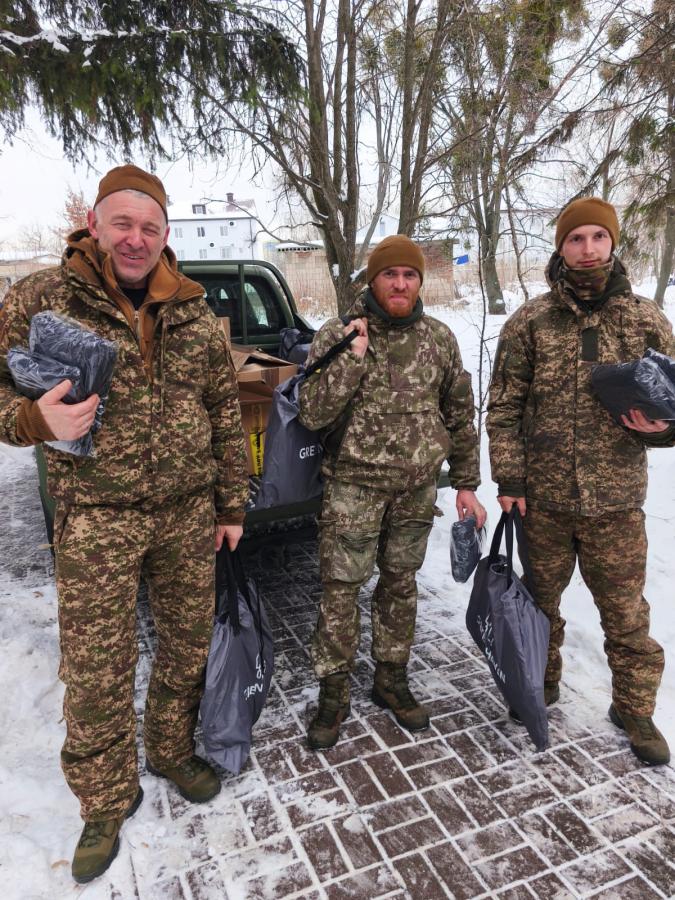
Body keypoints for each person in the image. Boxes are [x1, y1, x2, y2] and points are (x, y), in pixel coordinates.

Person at [0, 165, 249, 882]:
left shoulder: (194, 313)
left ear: (166, 235)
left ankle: (170, 750)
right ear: (95, 224)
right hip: (96, 516)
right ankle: (105, 797)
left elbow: (222, 416)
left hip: (184, 513)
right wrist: (29, 418)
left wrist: (230, 505)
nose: (136, 239)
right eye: (123, 224)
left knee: (183, 645)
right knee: (96, 667)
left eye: (149, 227)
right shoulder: (42, 299)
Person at [487, 196, 674, 766]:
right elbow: (503, 406)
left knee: (625, 613)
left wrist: (661, 428)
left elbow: (672, 406)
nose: (588, 249)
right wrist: (510, 478)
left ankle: (635, 709)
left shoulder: (645, 320)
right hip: (542, 502)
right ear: (561, 247)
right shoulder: (531, 322)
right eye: (576, 239)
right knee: (540, 604)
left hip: (615, 502)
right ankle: (541, 685)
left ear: (612, 243)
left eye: (598, 237)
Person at [298, 234, 486, 750]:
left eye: (409, 274)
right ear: (372, 280)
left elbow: (458, 415)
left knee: (400, 584)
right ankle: (333, 692)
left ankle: (391, 677)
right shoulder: (338, 335)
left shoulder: (440, 339)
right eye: (389, 274)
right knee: (341, 589)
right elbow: (312, 412)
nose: (400, 283)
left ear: (419, 281)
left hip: (415, 489)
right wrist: (352, 358)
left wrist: (467, 482)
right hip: (353, 487)